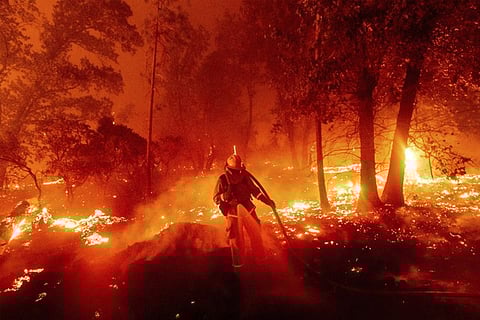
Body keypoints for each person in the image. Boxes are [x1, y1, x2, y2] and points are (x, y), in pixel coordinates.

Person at [213, 153, 275, 269]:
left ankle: (260, 260)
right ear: (228, 168)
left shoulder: (245, 177)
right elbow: (215, 198)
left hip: (248, 209)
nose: (236, 174)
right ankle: (238, 266)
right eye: (234, 171)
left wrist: (267, 201)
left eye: (238, 171)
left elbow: (255, 191)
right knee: (235, 239)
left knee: (255, 233)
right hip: (232, 212)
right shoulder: (222, 179)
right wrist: (224, 196)